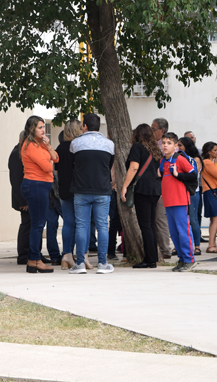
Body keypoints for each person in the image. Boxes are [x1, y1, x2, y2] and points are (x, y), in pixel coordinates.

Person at [68, 114, 116, 274]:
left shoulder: (75, 143)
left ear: (85, 126)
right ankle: (102, 264)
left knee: (81, 225)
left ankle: (80, 263)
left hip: (81, 190)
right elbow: (109, 165)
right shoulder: (109, 145)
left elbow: (71, 164)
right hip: (102, 190)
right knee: (102, 225)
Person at [19, 115, 59, 273]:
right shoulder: (30, 146)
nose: (43, 130)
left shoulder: (40, 144)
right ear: (32, 129)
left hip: (41, 186)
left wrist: (48, 147)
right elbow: (48, 167)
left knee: (38, 224)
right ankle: (34, 260)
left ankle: (33, 260)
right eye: (40, 128)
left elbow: (55, 158)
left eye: (44, 127)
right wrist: (49, 162)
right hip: (35, 185)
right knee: (38, 224)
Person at [120, 123, 162, 268]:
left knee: (145, 225)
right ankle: (153, 258)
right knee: (151, 224)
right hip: (155, 188)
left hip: (143, 188)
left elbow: (134, 167)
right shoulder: (156, 150)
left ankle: (149, 259)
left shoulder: (137, 147)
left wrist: (124, 186)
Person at [157, 133, 198, 271]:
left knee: (183, 231)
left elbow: (193, 176)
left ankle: (189, 259)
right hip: (168, 202)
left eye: (169, 143)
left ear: (175, 146)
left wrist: (178, 175)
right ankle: (181, 259)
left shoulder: (179, 159)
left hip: (180, 201)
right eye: (163, 143)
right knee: (174, 233)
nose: (165, 145)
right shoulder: (163, 161)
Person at [56, 120, 84, 269]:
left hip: (63, 188)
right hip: (78, 188)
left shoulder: (59, 148)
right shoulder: (77, 147)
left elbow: (57, 170)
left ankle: (66, 254)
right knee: (80, 223)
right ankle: (80, 256)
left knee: (68, 222)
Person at [9, 131, 37, 266]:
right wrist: (23, 201)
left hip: (30, 195)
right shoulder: (17, 154)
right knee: (27, 224)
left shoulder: (24, 153)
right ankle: (24, 255)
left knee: (33, 225)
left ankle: (34, 253)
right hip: (24, 198)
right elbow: (15, 180)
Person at [151, 118, 173, 259]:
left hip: (163, 186)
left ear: (162, 131)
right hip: (154, 186)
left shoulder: (165, 146)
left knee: (160, 218)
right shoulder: (152, 144)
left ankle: (165, 249)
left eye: (154, 129)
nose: (151, 132)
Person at [179, 136, 203, 256]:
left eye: (180, 145)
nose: (178, 148)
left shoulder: (195, 159)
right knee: (182, 220)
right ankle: (182, 245)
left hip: (193, 192)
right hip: (181, 191)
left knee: (193, 220)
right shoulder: (177, 158)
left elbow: (193, 174)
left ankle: (197, 245)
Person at [200, 142, 217, 253]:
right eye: (215, 150)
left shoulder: (209, 163)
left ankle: (213, 244)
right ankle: (211, 245)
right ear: (209, 151)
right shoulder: (207, 162)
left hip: (212, 192)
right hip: (211, 192)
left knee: (214, 219)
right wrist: (216, 164)